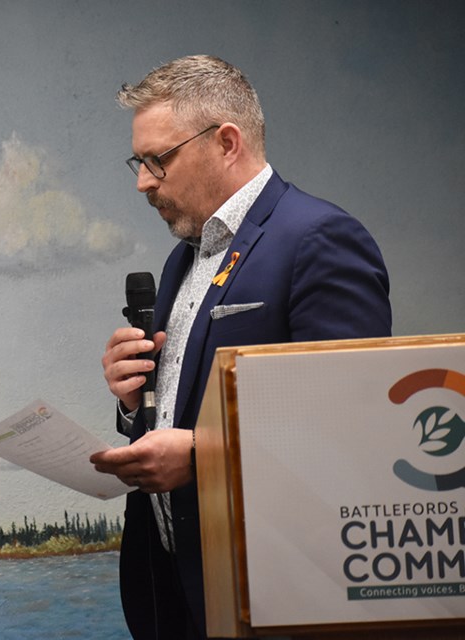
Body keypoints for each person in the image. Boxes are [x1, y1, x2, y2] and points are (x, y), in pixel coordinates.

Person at [90, 56, 391, 639]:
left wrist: (203, 456)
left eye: (159, 159)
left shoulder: (319, 239)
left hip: (274, 586)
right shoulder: (185, 256)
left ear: (226, 142)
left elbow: (353, 423)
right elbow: (182, 410)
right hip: (174, 585)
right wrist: (133, 402)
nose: (142, 182)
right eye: (139, 161)